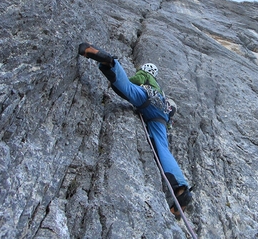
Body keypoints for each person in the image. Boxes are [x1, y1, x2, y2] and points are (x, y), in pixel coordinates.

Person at [78, 42, 192, 217]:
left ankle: (110, 62)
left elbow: (133, 82)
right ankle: (181, 188)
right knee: (163, 149)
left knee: (126, 88)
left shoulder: (146, 76)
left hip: (148, 99)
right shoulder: (162, 91)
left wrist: (123, 80)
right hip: (160, 116)